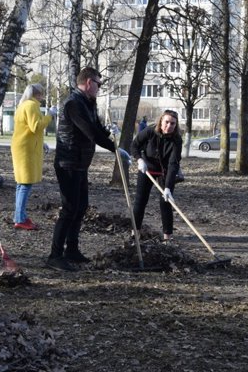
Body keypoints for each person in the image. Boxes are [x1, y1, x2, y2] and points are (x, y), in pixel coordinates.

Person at [49, 67, 130, 271]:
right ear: (87, 82)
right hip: (68, 163)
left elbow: (98, 127)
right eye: (98, 83)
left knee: (81, 206)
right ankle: (55, 255)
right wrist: (114, 149)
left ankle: (72, 250)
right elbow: (90, 132)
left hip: (80, 164)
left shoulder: (88, 103)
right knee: (69, 208)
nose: (99, 88)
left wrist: (112, 135)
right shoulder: (73, 104)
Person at [10, 84, 57, 230]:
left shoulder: (23, 105)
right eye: (42, 94)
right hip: (26, 149)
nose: (43, 98)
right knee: (25, 184)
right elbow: (36, 126)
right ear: (38, 94)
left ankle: (20, 215)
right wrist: (50, 115)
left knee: (21, 183)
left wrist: (41, 143)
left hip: (22, 146)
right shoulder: (31, 106)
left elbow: (28, 129)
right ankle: (19, 218)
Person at [131, 109, 183, 241]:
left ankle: (167, 237)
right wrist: (139, 160)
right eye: (166, 122)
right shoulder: (150, 131)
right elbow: (135, 146)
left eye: (172, 123)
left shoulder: (176, 140)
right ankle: (135, 233)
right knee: (140, 201)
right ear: (161, 121)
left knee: (166, 202)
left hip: (165, 172)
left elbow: (173, 164)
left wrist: (168, 187)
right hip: (146, 169)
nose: (169, 126)